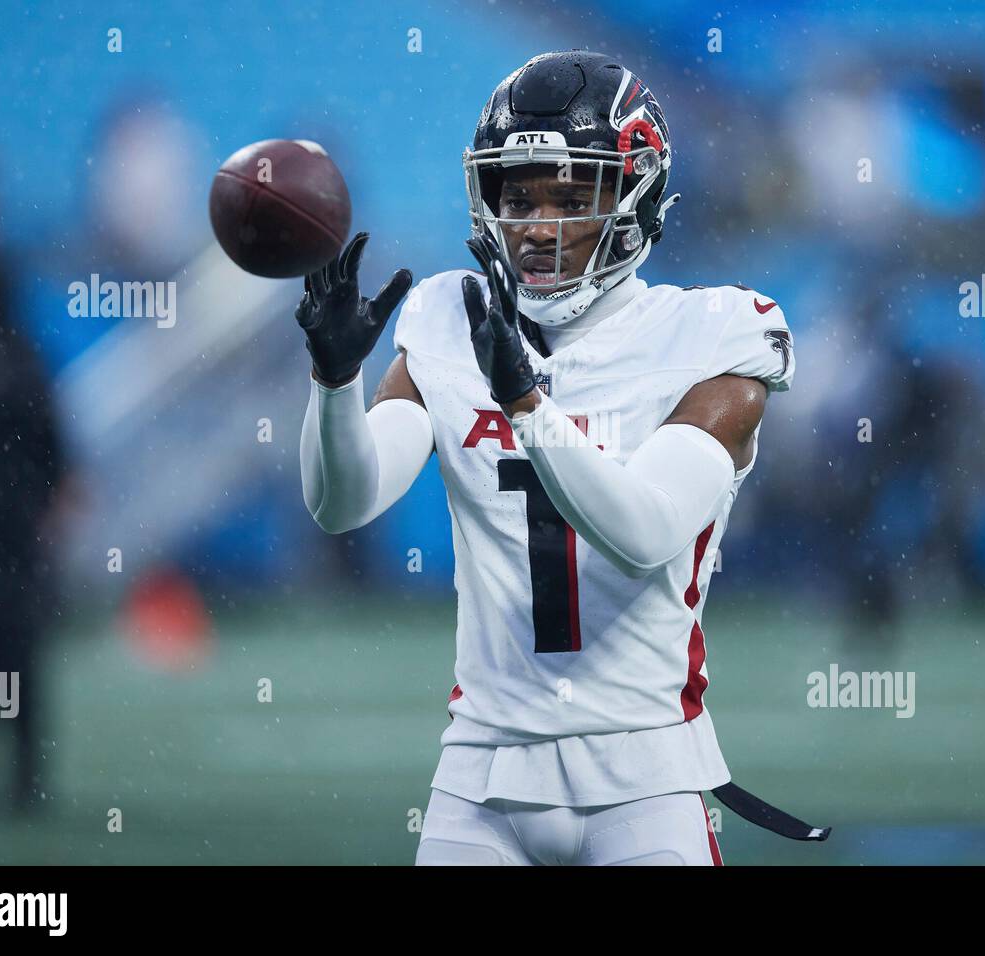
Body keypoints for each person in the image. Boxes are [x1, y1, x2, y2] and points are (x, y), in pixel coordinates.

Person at [297, 51, 815, 865]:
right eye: (520, 197)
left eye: (572, 199)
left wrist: (528, 406)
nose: (538, 227)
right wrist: (333, 382)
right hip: (482, 773)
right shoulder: (446, 317)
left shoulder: (712, 336)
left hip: (643, 775)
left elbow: (646, 532)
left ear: (637, 198)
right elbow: (344, 502)